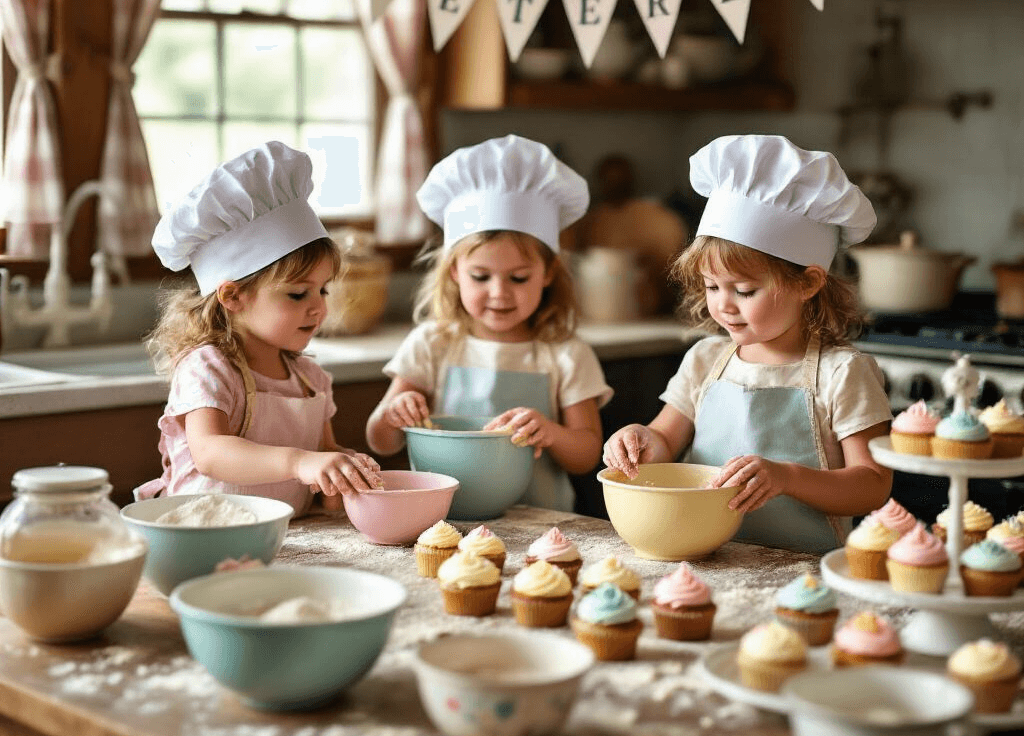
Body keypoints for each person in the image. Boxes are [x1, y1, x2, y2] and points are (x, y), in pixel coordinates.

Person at [602, 134, 894, 554]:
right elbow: (664, 439)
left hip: (804, 573)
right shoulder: (705, 360)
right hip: (707, 559)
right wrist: (638, 439)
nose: (724, 306)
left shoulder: (842, 373)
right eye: (711, 286)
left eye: (744, 290)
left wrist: (787, 477)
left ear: (808, 282)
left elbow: (872, 485)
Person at [365, 134, 612, 512]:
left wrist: (550, 431)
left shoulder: (566, 353)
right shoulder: (432, 344)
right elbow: (380, 441)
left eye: (518, 278)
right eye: (481, 277)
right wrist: (394, 412)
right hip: (445, 523)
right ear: (454, 273)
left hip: (544, 527)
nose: (500, 293)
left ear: (548, 272)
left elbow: (586, 454)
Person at [134, 140, 382, 516]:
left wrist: (344, 473)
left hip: (285, 538)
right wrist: (299, 463)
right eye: (298, 294)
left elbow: (322, 459)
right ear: (232, 296)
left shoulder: (311, 380)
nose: (319, 306)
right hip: (204, 532)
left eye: (323, 289)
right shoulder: (209, 368)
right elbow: (211, 453)